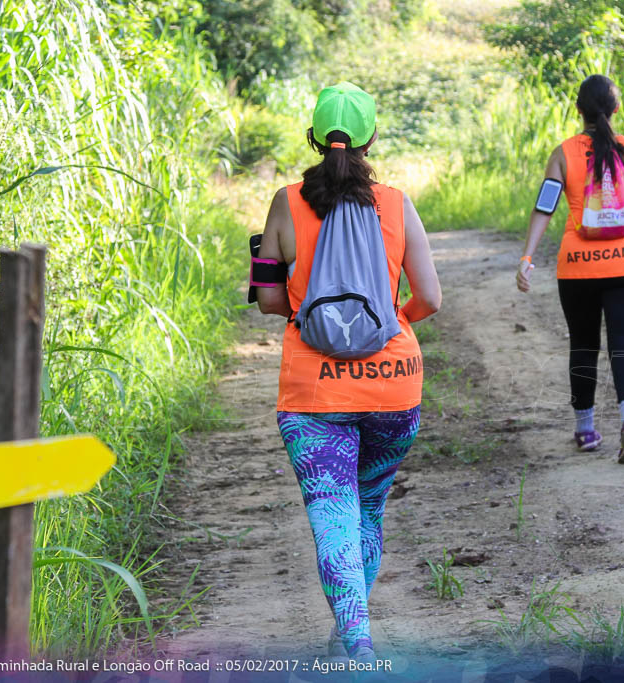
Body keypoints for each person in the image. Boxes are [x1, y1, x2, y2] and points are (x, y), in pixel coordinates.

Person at [255, 82, 442, 655]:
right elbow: (430, 297)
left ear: (313, 137)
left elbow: (266, 299)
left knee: (332, 512)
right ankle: (349, 634)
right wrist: (390, 324)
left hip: (315, 396)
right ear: (373, 137)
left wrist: (312, 321)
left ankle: (357, 643)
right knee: (368, 508)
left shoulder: (285, 202)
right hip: (394, 388)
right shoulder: (397, 203)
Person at [516, 74, 624, 464]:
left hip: (578, 266)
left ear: (578, 110)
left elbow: (545, 206)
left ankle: (586, 429)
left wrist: (527, 256)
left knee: (583, 344)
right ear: (616, 109)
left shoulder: (563, 153)